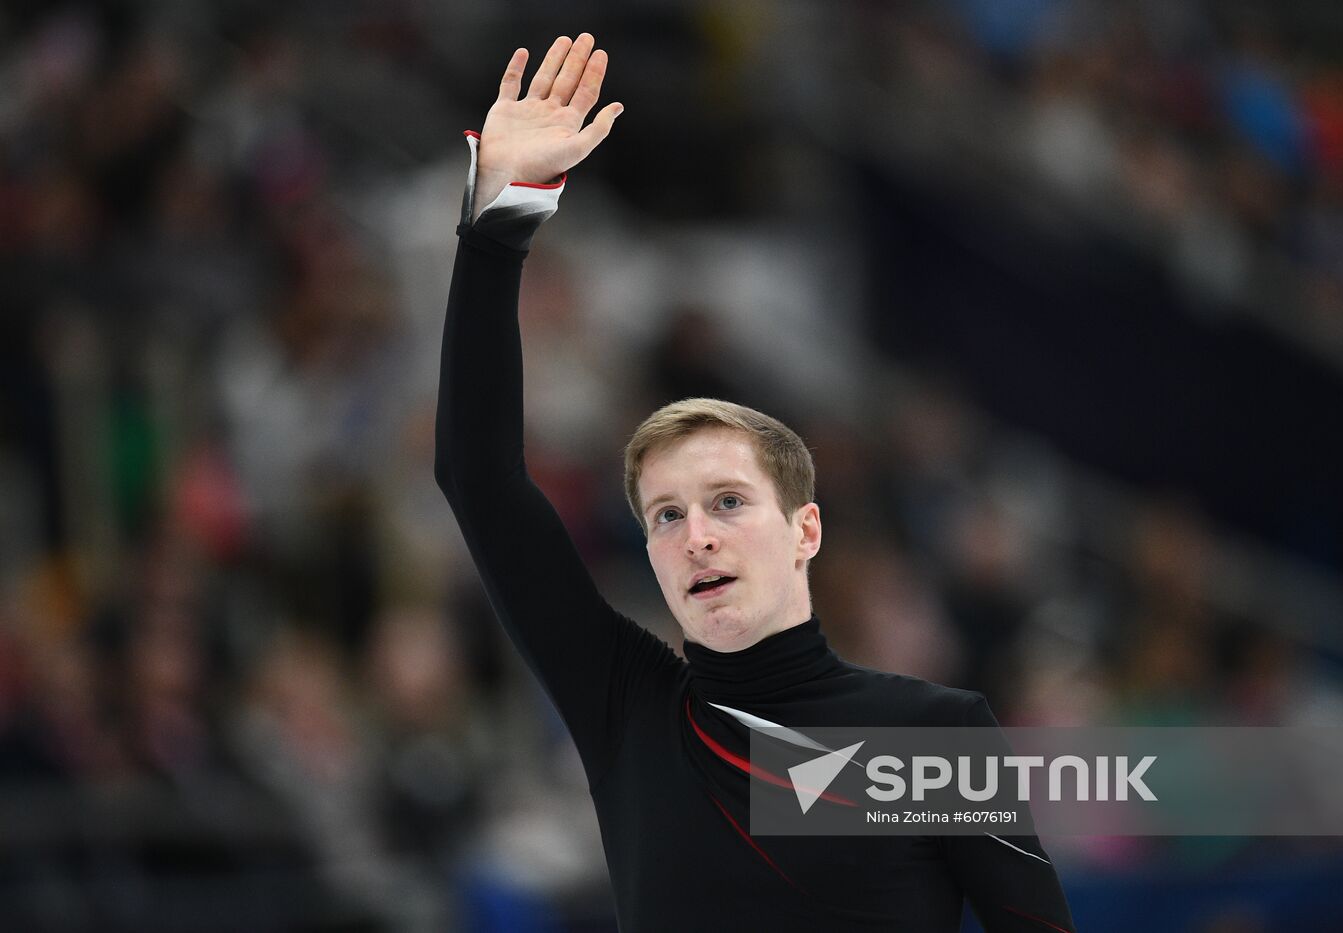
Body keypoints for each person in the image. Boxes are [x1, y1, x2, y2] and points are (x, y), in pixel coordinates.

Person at [435, 33, 1075, 932]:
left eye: (727, 501)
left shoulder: (931, 738)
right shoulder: (627, 708)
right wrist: (503, 216)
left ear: (805, 529)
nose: (695, 533)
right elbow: (478, 477)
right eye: (664, 515)